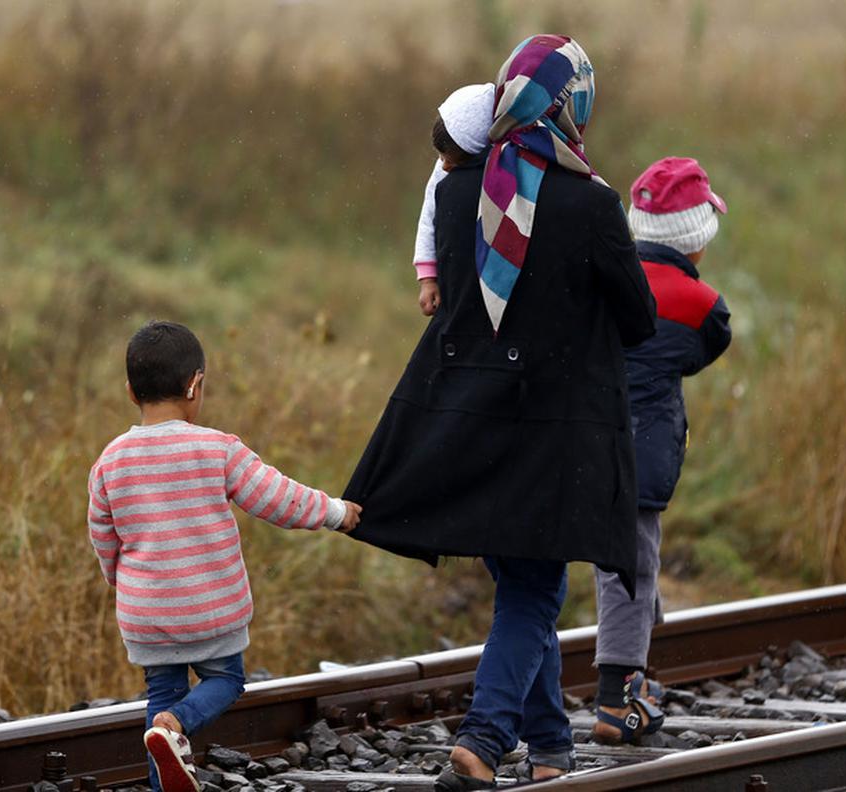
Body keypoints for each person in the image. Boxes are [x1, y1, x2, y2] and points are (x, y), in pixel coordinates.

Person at [343, 35, 656, 790]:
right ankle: (484, 739)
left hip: (466, 426)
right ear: (571, 105)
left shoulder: (456, 194)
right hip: (552, 437)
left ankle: (549, 748)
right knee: (534, 588)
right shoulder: (591, 201)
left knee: (522, 577)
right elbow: (639, 316)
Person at [87, 320, 362, 792]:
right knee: (226, 681)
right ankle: (177, 724)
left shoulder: (110, 461)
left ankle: (164, 766)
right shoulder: (217, 450)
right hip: (212, 609)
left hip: (148, 613)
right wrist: (336, 513)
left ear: (131, 391)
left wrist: (121, 580)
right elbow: (279, 499)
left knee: (162, 693)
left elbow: (103, 537)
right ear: (195, 385)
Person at [592, 157, 733, 744]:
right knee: (630, 567)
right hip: (643, 453)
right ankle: (614, 701)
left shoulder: (600, 282)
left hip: (584, 442)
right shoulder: (702, 304)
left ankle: (636, 680)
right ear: (697, 238)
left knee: (626, 563)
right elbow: (702, 350)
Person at [411, 82, 496, 319]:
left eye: (452, 161)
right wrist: (428, 278)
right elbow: (429, 218)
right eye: (440, 158)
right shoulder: (442, 170)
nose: (444, 166)